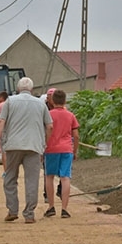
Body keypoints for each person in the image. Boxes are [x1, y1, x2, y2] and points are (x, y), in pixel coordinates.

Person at [0, 77, 52, 224]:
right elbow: (49, 126)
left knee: (10, 178)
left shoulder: (10, 102)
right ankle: (29, 213)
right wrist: (44, 142)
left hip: (13, 145)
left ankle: (13, 210)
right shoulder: (40, 104)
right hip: (34, 146)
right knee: (31, 180)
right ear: (31, 89)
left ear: (18, 88)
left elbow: (1, 121)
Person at [43, 89, 79, 218]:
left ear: (52, 101)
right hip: (66, 149)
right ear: (65, 101)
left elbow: (45, 131)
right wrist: (74, 150)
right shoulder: (70, 115)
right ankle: (64, 209)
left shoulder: (48, 115)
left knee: (49, 177)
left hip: (51, 149)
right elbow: (76, 135)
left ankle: (51, 206)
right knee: (65, 177)